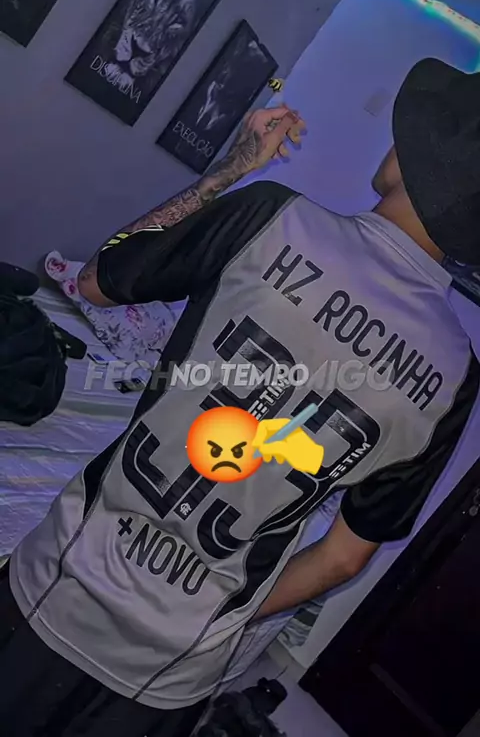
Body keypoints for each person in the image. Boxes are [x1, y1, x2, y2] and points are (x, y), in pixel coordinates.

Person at [1, 57, 479, 737]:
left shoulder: (271, 216)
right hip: (173, 670)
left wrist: (231, 169)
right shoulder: (456, 375)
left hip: (60, 584)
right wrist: (219, 613)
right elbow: (344, 557)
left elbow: (96, 280)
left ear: (412, 161)